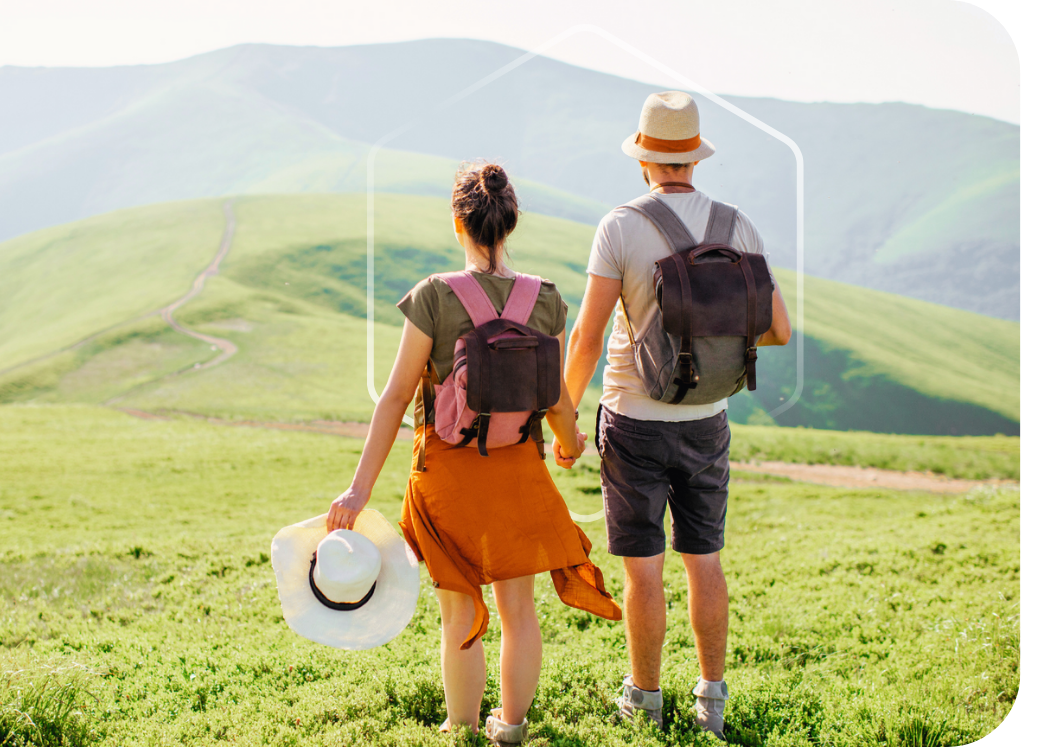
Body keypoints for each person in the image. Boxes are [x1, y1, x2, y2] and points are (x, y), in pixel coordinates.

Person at [327, 161, 622, 745]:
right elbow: (558, 401)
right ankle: (510, 727)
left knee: (459, 614)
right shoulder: (546, 301)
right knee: (519, 612)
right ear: (511, 223)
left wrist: (358, 491)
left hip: (447, 476)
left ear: (457, 221)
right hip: (518, 471)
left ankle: (458, 726)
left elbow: (393, 399)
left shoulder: (434, 297)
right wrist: (568, 446)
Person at [562, 91, 791, 738]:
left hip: (632, 420)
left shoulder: (621, 225)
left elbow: (586, 337)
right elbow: (777, 330)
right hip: (708, 419)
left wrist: (567, 417)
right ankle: (712, 700)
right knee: (705, 560)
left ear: (643, 158)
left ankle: (645, 699)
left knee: (644, 568)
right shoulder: (737, 225)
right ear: (694, 157)